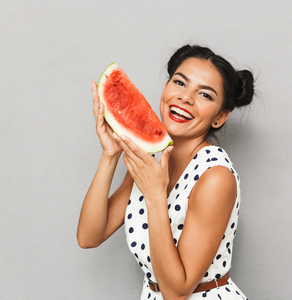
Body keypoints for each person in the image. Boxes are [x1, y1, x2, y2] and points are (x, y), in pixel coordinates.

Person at [77, 44, 255, 300]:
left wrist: (155, 195)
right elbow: (89, 236)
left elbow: (176, 291)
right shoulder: (152, 161)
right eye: (180, 82)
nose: (185, 97)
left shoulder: (215, 176)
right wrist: (110, 156)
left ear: (219, 117)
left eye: (205, 95)